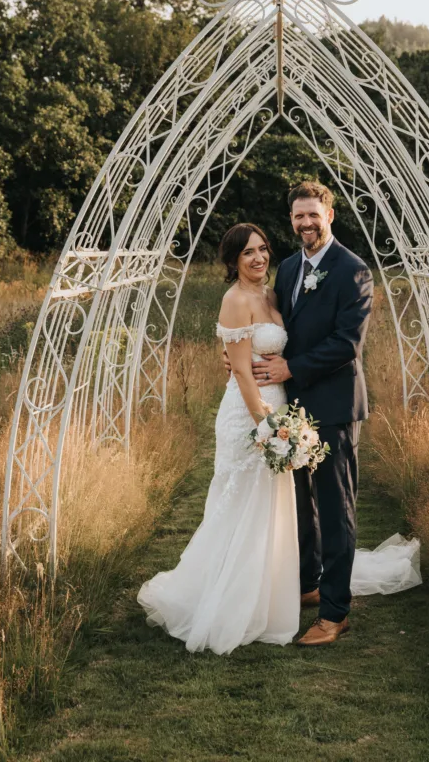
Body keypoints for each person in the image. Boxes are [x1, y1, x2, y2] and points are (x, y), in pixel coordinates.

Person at [137, 223, 300, 655]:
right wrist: (264, 423)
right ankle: (226, 601)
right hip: (250, 413)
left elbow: (250, 350)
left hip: (277, 402)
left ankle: (266, 594)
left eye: (263, 249)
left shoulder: (270, 294)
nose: (258, 258)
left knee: (268, 505)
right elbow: (242, 370)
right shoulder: (235, 299)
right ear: (232, 261)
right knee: (240, 503)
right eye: (248, 253)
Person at [248, 181, 376, 646]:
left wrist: (292, 367)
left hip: (335, 407)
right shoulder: (286, 268)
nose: (305, 223)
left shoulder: (353, 271)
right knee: (301, 503)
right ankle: (308, 583)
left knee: (336, 508)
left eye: (313, 215)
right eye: (298, 217)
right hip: (293, 406)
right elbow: (277, 329)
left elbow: (347, 343)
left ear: (330, 216)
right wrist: (242, 358)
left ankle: (336, 613)